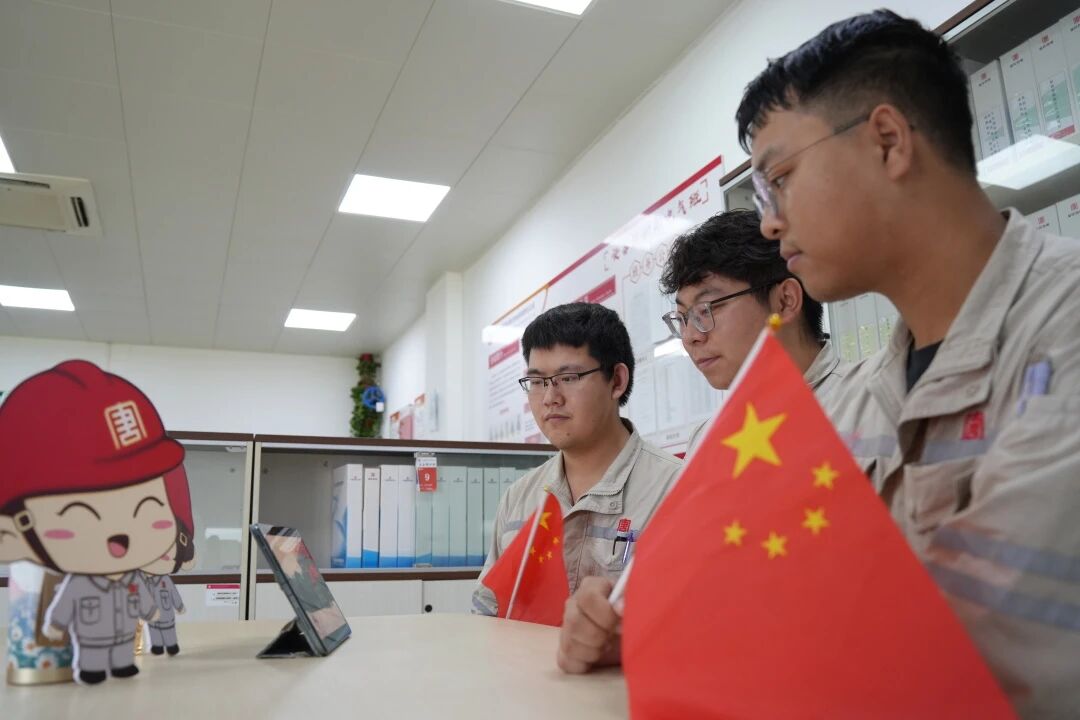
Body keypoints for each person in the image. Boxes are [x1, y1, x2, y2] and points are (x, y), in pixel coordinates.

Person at [735, 10, 1080, 716]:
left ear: (888, 142)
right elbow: (780, 580)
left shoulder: (1063, 332)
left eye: (781, 179)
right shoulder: (863, 398)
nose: (769, 222)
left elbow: (985, 651)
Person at [471, 303, 682, 670]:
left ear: (617, 381)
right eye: (537, 381)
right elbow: (486, 613)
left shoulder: (677, 491)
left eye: (568, 378)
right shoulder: (520, 497)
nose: (549, 397)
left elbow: (697, 629)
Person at [658, 207, 846, 452]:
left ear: (785, 301)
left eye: (706, 309)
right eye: (683, 318)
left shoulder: (870, 403)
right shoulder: (708, 442)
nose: (690, 336)